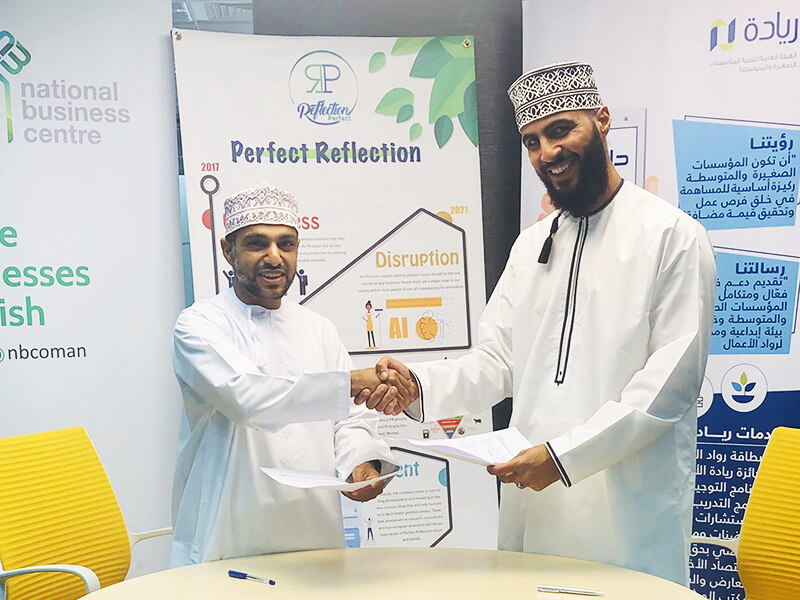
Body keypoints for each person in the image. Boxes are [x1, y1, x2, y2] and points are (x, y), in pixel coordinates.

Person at [361, 62, 716, 585]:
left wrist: (562, 458)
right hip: (534, 497)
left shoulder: (672, 236)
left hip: (622, 507)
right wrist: (421, 384)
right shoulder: (533, 245)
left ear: (601, 120)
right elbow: (498, 358)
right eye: (531, 141)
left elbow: (667, 387)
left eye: (559, 130)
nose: (546, 153)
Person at [171, 181, 412, 565]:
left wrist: (361, 465)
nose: (274, 257)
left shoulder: (318, 328)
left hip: (313, 530)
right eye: (256, 244)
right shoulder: (199, 325)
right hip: (229, 532)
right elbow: (247, 399)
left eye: (286, 244)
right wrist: (352, 382)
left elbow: (350, 419)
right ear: (227, 250)